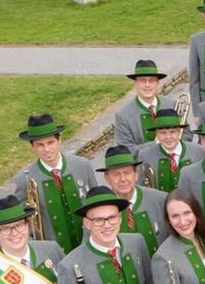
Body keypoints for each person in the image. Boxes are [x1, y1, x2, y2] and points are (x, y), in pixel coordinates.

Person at [12, 113, 99, 252]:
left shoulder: (82, 166)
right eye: (40, 145)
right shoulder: (24, 179)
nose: (47, 149)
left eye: (50, 142)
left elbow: (97, 202)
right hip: (55, 251)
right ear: (32, 146)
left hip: (90, 244)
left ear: (59, 140)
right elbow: (22, 222)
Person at [96, 146, 170, 255]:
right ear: (107, 178)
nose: (123, 179)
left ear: (136, 175)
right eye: (116, 174)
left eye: (127, 173)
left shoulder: (161, 200)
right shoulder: (97, 211)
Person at [133, 110, 205, 194]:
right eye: (163, 133)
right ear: (156, 133)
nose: (168, 137)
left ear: (179, 131)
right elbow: (140, 188)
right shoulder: (145, 155)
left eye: (172, 132)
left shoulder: (199, 151)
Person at [115, 59, 175, 147]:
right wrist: (157, 146)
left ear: (158, 83)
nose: (147, 85)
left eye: (151, 80)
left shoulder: (172, 105)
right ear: (135, 83)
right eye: (142, 80)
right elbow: (126, 149)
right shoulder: (123, 115)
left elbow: (186, 134)